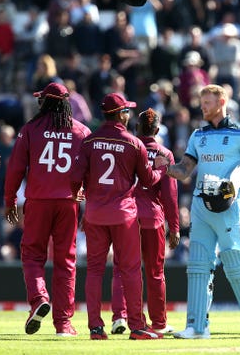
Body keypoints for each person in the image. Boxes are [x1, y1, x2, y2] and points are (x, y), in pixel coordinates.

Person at [158, 84, 240, 339]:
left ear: (221, 102)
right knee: (197, 263)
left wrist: (237, 184)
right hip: (200, 206)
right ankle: (197, 327)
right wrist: (165, 167)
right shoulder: (198, 136)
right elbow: (185, 171)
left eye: (207, 102)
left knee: (235, 262)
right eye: (201, 102)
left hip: (228, 208)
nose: (202, 106)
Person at [70, 94, 167, 340]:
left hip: (94, 214)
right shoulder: (134, 144)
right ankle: (136, 326)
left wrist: (83, 197)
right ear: (121, 114)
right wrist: (162, 169)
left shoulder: (90, 141)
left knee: (94, 271)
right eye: (127, 111)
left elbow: (75, 180)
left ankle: (95, 328)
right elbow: (148, 180)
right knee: (130, 270)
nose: (129, 115)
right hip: (123, 215)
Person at [4, 83, 91, 337]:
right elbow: (91, 172)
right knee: (66, 262)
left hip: (39, 201)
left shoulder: (30, 129)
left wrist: (10, 200)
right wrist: (91, 205)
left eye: (41, 100)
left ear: (45, 102)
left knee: (32, 255)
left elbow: (15, 169)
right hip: (69, 202)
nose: (38, 104)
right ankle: (63, 324)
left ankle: (39, 298)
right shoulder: (82, 131)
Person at [110, 108, 180, 336]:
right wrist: (175, 227)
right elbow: (170, 196)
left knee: (122, 269)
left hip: (125, 217)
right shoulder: (165, 154)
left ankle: (120, 317)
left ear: (136, 128)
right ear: (157, 130)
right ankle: (159, 322)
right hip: (152, 219)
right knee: (155, 272)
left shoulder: (127, 148)